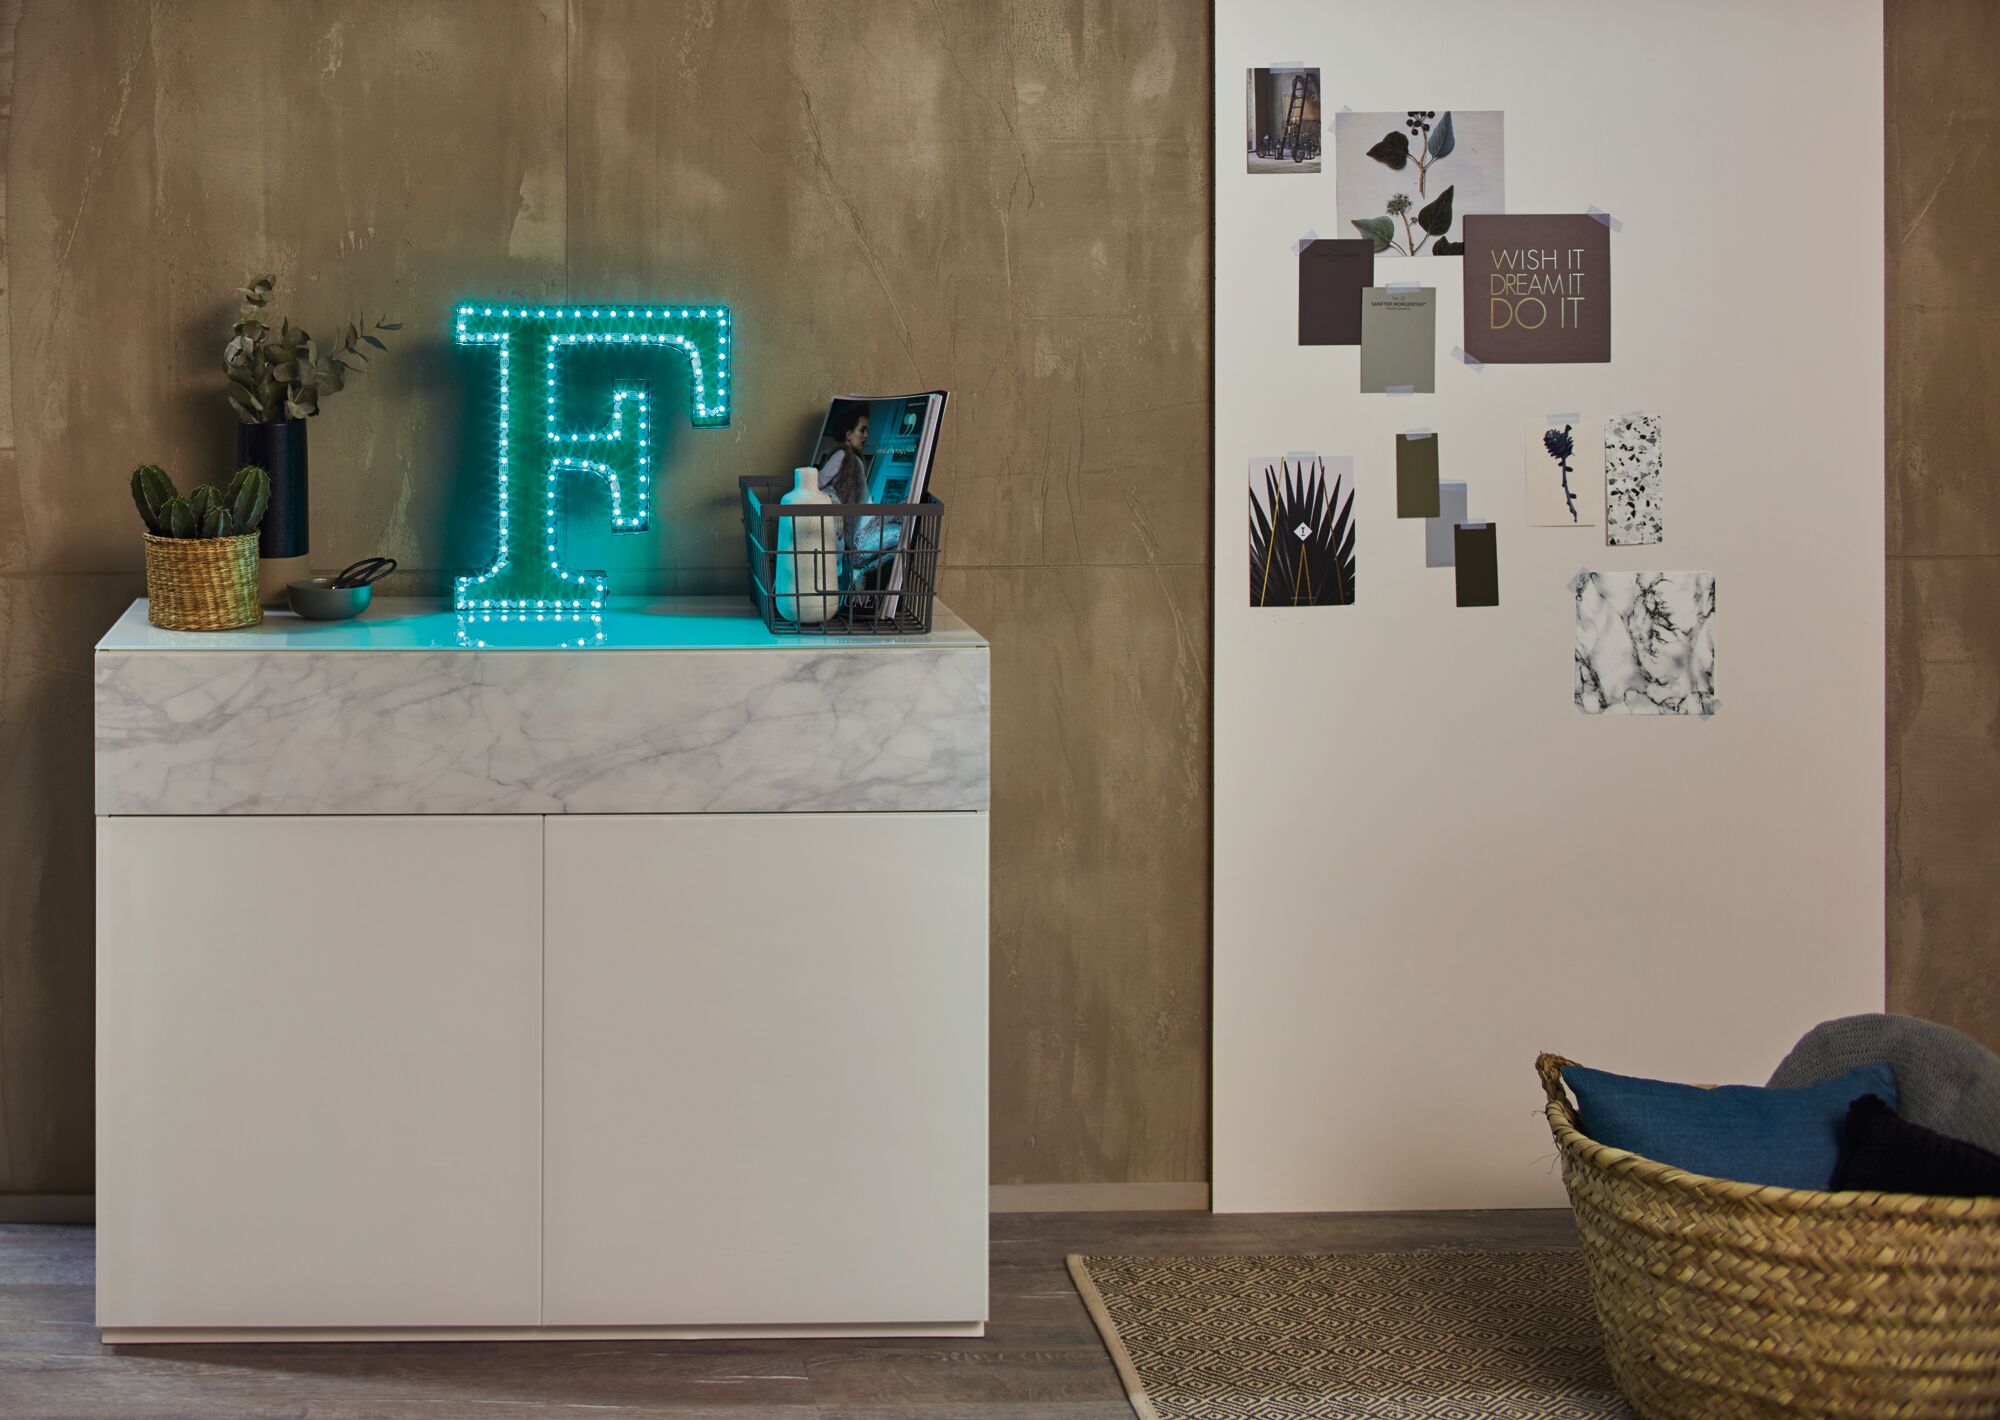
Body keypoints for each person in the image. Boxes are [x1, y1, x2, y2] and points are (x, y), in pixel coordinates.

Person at [818, 406, 870, 505]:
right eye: (862, 430)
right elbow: (819, 482)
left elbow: (818, 483)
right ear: (849, 435)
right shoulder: (844, 456)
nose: (866, 435)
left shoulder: (847, 457)